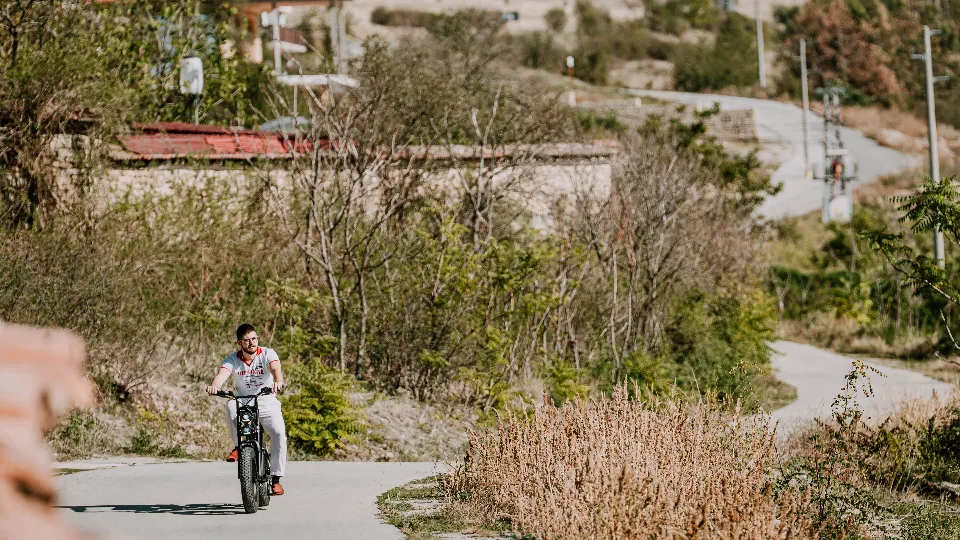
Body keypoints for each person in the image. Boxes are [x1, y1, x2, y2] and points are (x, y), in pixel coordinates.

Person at [206, 324, 287, 496]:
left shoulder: (267, 353)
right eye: (247, 340)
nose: (252, 343)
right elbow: (222, 375)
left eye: (254, 338)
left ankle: (276, 479)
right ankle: (238, 446)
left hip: (266, 400)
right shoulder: (232, 359)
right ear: (239, 343)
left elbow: (275, 368)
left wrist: (278, 380)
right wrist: (214, 386)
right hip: (244, 401)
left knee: (279, 434)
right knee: (229, 406)